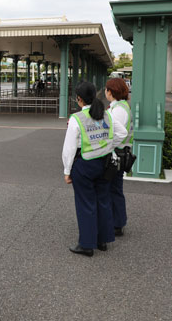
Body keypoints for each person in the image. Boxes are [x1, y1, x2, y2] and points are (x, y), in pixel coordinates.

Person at [62, 81, 127, 257]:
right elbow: (122, 133)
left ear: (79, 99)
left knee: (86, 204)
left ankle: (86, 244)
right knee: (103, 201)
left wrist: (67, 172)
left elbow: (69, 149)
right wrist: (107, 146)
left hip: (84, 166)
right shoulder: (107, 115)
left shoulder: (77, 119)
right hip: (104, 164)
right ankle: (103, 240)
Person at [104, 78, 133, 237]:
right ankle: (117, 222)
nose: (105, 92)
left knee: (113, 189)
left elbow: (117, 132)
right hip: (119, 153)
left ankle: (117, 223)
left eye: (107, 89)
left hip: (116, 154)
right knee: (114, 189)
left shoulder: (119, 110)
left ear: (112, 91)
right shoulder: (120, 106)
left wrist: (106, 145)